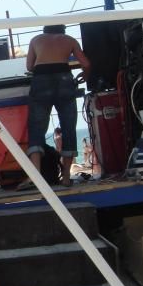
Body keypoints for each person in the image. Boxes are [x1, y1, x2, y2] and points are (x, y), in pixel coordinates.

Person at [26, 24, 90, 187]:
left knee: (36, 128)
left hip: (41, 79)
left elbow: (29, 67)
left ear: (45, 30)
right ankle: (66, 177)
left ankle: (35, 176)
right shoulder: (69, 40)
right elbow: (86, 64)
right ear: (62, 30)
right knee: (68, 127)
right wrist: (85, 75)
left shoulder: (36, 39)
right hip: (64, 79)